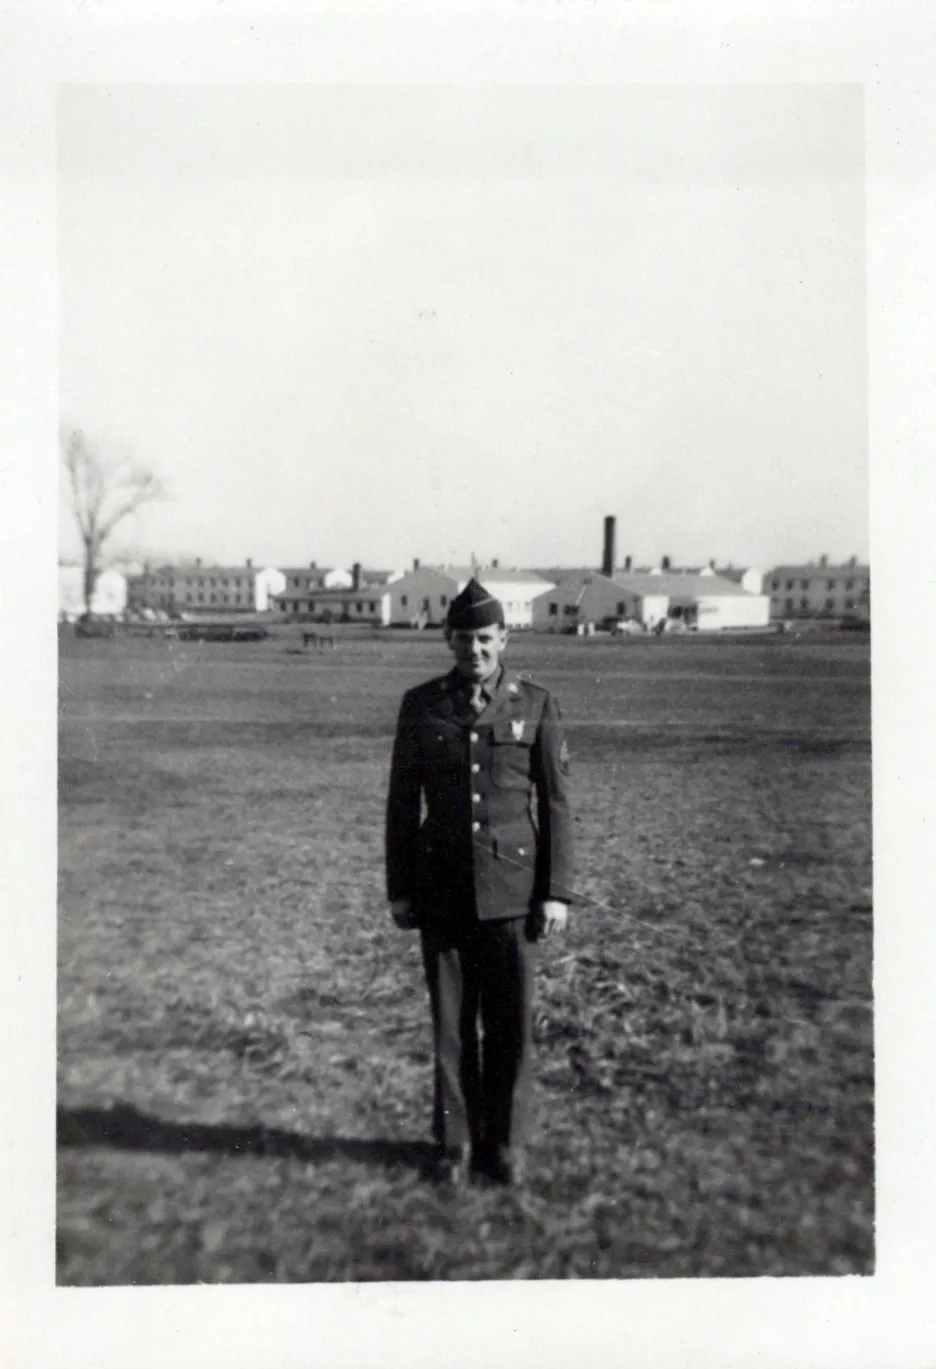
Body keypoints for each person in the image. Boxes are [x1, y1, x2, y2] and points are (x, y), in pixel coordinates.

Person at [385, 577, 574, 1187]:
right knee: (450, 1026)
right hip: (441, 892)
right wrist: (401, 888)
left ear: (504, 639)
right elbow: (400, 804)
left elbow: (557, 804)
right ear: (448, 639)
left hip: (513, 895)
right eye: (464, 639)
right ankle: (455, 1142)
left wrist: (556, 892)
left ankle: (507, 1143)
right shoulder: (421, 705)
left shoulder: (535, 704)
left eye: (486, 639)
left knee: (511, 1024)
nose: (475, 651)